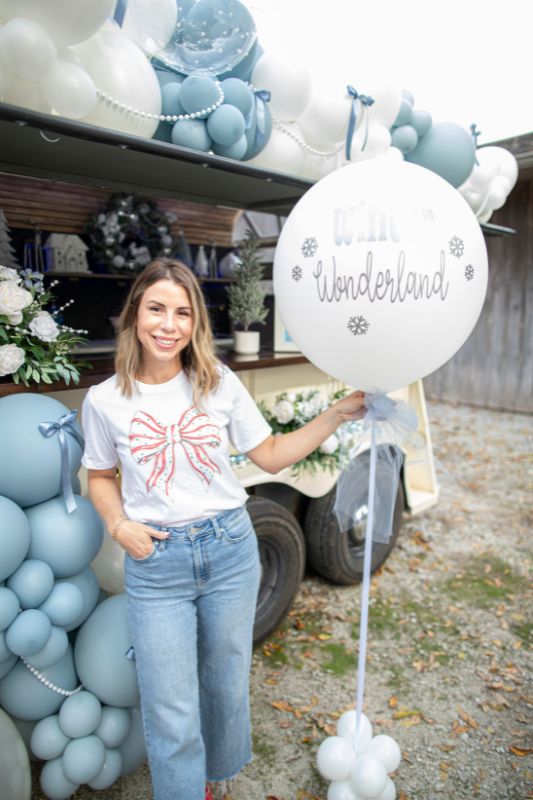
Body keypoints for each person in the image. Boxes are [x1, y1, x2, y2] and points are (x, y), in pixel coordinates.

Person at [81, 258, 365, 800]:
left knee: (225, 682)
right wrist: (119, 525)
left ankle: (216, 780)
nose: (169, 325)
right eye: (157, 309)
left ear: (196, 324)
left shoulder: (217, 383)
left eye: (183, 313)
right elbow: (99, 475)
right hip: (157, 563)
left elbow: (273, 455)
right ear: (134, 315)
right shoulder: (105, 401)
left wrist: (336, 413)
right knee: (169, 701)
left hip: (231, 550)